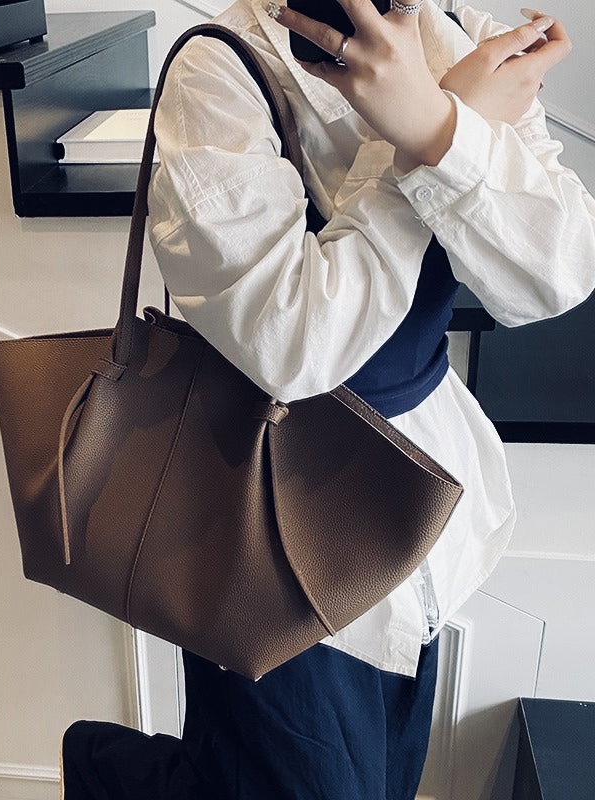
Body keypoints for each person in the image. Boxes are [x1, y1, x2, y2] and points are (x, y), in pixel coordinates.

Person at [62, 2, 594, 798]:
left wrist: (442, 127)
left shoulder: (468, 35)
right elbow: (292, 344)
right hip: (265, 523)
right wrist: (419, 136)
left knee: (381, 781)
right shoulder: (221, 69)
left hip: (423, 512)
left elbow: (555, 273)